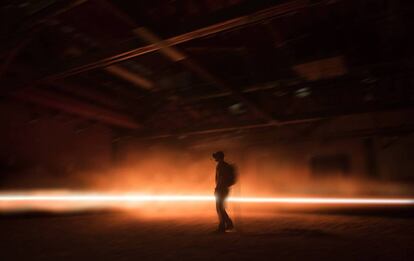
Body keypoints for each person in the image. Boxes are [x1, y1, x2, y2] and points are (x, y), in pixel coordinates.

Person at [212, 151, 234, 233]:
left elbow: (220, 179)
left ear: (219, 157)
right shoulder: (225, 165)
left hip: (221, 189)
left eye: (216, 157)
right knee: (220, 208)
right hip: (224, 189)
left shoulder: (221, 166)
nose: (214, 158)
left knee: (219, 208)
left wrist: (217, 189)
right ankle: (228, 224)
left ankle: (222, 226)